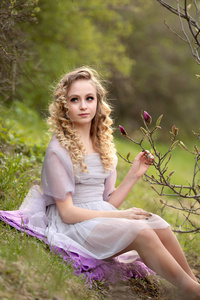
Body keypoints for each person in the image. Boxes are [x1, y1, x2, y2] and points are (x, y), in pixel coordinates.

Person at [0, 66, 200, 299]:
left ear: (98, 102)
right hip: (72, 225)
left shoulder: (103, 145)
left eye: (89, 98)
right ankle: (192, 291)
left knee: (158, 224)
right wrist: (123, 216)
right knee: (142, 232)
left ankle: (193, 285)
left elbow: (107, 202)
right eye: (75, 99)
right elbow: (67, 213)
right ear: (64, 106)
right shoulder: (58, 150)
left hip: (98, 217)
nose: (83, 106)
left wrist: (134, 175)